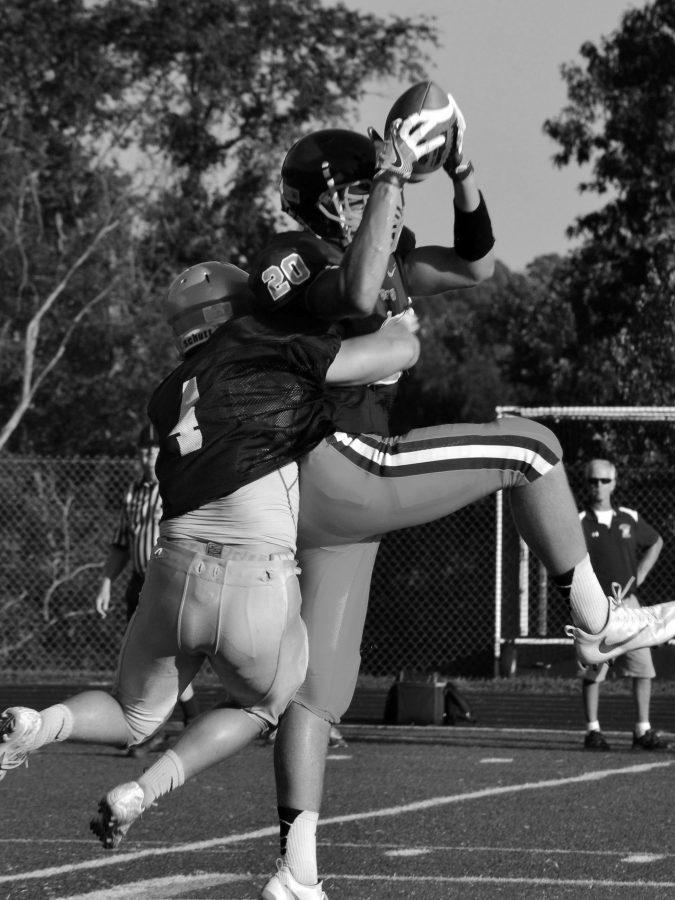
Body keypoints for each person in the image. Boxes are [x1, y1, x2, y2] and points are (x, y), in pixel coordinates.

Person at [244, 96, 675, 899]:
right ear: (322, 197)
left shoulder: (375, 240)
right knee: (531, 446)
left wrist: (462, 168)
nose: (377, 195)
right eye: (358, 188)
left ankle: (294, 871)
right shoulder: (291, 256)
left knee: (321, 689)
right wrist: (389, 180)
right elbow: (362, 289)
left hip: (328, 504)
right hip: (337, 460)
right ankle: (598, 619)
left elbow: (475, 263)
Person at [0, 261, 420, 864]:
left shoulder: (168, 392)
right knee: (267, 703)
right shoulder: (270, 351)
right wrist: (398, 309)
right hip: (255, 575)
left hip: (172, 572)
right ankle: (144, 790)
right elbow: (396, 354)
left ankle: (38, 725)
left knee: (132, 713)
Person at [94, 422, 200, 756]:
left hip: (167, 578)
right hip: (139, 581)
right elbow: (121, 544)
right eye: (143, 450)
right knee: (147, 656)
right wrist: (106, 583)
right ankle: (184, 722)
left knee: (160, 655)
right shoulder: (133, 491)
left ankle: (155, 727)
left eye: (154, 449)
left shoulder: (176, 486)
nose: (147, 455)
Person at [578, 459, 668, 752]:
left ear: (614, 484)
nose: (599, 486)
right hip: (595, 608)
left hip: (629, 606)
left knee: (643, 668)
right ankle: (593, 730)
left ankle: (642, 730)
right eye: (593, 481)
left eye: (605, 481)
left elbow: (656, 542)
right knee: (594, 669)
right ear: (586, 484)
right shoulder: (578, 522)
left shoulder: (629, 518)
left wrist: (640, 575)